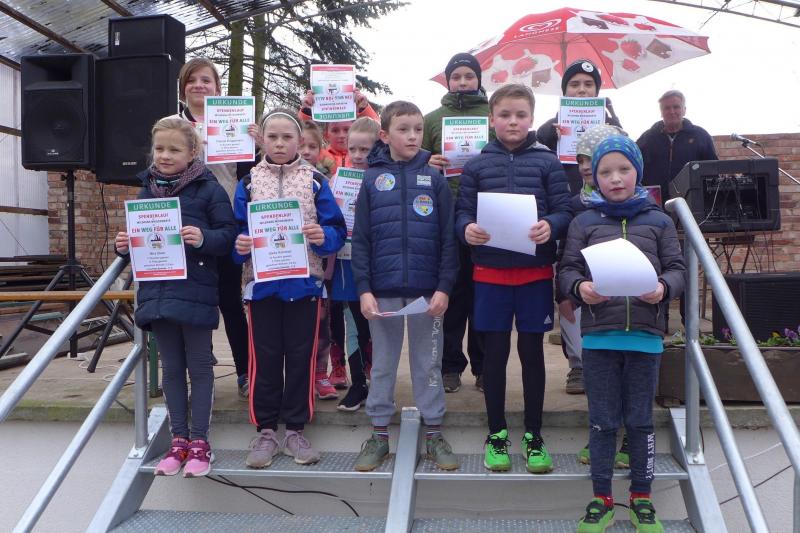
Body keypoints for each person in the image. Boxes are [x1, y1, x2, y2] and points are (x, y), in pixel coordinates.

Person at [558, 135, 685, 533]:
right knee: (602, 422)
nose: (615, 178)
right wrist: (580, 288)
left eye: (624, 170)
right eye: (606, 172)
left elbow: (678, 269)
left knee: (641, 422)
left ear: (637, 173)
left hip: (645, 338)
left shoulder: (659, 221)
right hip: (599, 338)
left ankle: (641, 498)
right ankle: (602, 499)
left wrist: (663, 287)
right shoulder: (583, 222)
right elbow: (567, 270)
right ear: (594, 178)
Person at [456, 84, 573, 474]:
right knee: (494, 356)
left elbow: (564, 210)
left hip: (534, 274)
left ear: (532, 118)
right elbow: (461, 213)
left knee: (532, 353)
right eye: (505, 115)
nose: (513, 122)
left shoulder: (548, 163)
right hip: (489, 275)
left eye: (521, 115)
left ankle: (534, 435)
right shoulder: (476, 166)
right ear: (492, 119)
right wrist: (467, 229)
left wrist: (551, 225)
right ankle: (497, 433)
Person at [115, 117, 236, 477]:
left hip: (195, 290)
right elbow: (141, 240)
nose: (165, 155)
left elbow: (228, 235)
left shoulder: (210, 189)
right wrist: (125, 245)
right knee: (170, 369)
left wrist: (203, 238)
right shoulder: (147, 190)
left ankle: (200, 442)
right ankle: (178, 440)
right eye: (159, 148)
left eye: (174, 149)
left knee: (199, 367)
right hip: (157, 291)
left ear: (192, 152)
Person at [233, 109, 346, 468]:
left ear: (300, 141)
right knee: (264, 360)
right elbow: (236, 231)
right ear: (262, 140)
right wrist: (240, 245)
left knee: (301, 358)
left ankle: (295, 429)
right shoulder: (248, 182)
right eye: (273, 137)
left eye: (287, 137)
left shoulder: (315, 181)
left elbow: (337, 230)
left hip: (305, 284)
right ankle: (266, 431)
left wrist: (323, 237)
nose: (280, 144)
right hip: (262, 286)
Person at [350, 101, 459, 472]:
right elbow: (361, 240)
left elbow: (448, 240)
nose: (412, 136)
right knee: (382, 364)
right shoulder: (371, 180)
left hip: (428, 293)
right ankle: (379, 435)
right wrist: (364, 289)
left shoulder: (435, 179)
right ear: (384, 135)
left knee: (428, 363)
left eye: (417, 129)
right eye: (403, 129)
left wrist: (444, 288)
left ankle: (435, 435)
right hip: (382, 291)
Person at [174, 58, 252, 400]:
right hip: (189, 222)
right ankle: (199, 371)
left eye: (206, 80)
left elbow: (246, 175)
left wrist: (254, 144)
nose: (199, 85)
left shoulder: (236, 122)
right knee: (194, 300)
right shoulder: (173, 125)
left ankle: (246, 371)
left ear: (217, 88)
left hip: (226, 222)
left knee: (230, 300)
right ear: (183, 87)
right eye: (192, 80)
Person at [557, 124, 631, 468]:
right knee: (597, 374)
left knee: (630, 373)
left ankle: (629, 436)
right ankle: (601, 434)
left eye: (594, 159)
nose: (587, 166)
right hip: (590, 300)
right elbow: (566, 256)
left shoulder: (643, 207)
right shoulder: (576, 206)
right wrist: (566, 292)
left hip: (631, 305)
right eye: (582, 160)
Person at [423, 52, 490, 394]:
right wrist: (427, 161)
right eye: (456, 76)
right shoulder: (432, 119)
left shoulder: (493, 115)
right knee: (451, 292)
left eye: (469, 76)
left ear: (478, 79)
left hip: (485, 215)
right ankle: (450, 366)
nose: (463, 82)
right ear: (447, 81)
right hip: (445, 217)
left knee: (482, 295)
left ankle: (483, 367)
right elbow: (413, 159)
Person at [333, 117, 379, 412]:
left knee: (377, 325)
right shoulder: (337, 180)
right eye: (353, 149)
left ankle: (379, 382)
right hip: (346, 262)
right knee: (353, 322)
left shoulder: (385, 180)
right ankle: (358, 383)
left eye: (365, 149)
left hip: (378, 262)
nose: (359, 155)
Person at [536, 59, 622, 196]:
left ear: (596, 91)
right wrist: (549, 137)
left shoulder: (611, 127)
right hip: (563, 200)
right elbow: (536, 167)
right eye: (574, 84)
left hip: (606, 200)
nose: (582, 90)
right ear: (565, 91)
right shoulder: (548, 129)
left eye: (588, 84)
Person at [637, 89, 718, 204]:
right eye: (667, 108)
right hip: (655, 204)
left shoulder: (701, 136)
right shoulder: (647, 138)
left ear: (684, 110)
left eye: (676, 107)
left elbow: (713, 170)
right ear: (661, 112)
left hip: (693, 203)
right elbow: (634, 169)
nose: (672, 111)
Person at [298, 89, 380, 174]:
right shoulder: (318, 155)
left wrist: (364, 108)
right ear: (326, 135)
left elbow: (378, 133)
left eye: (347, 130)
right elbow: (299, 133)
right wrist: (306, 111)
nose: (341, 135)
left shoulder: (366, 155)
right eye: (335, 131)